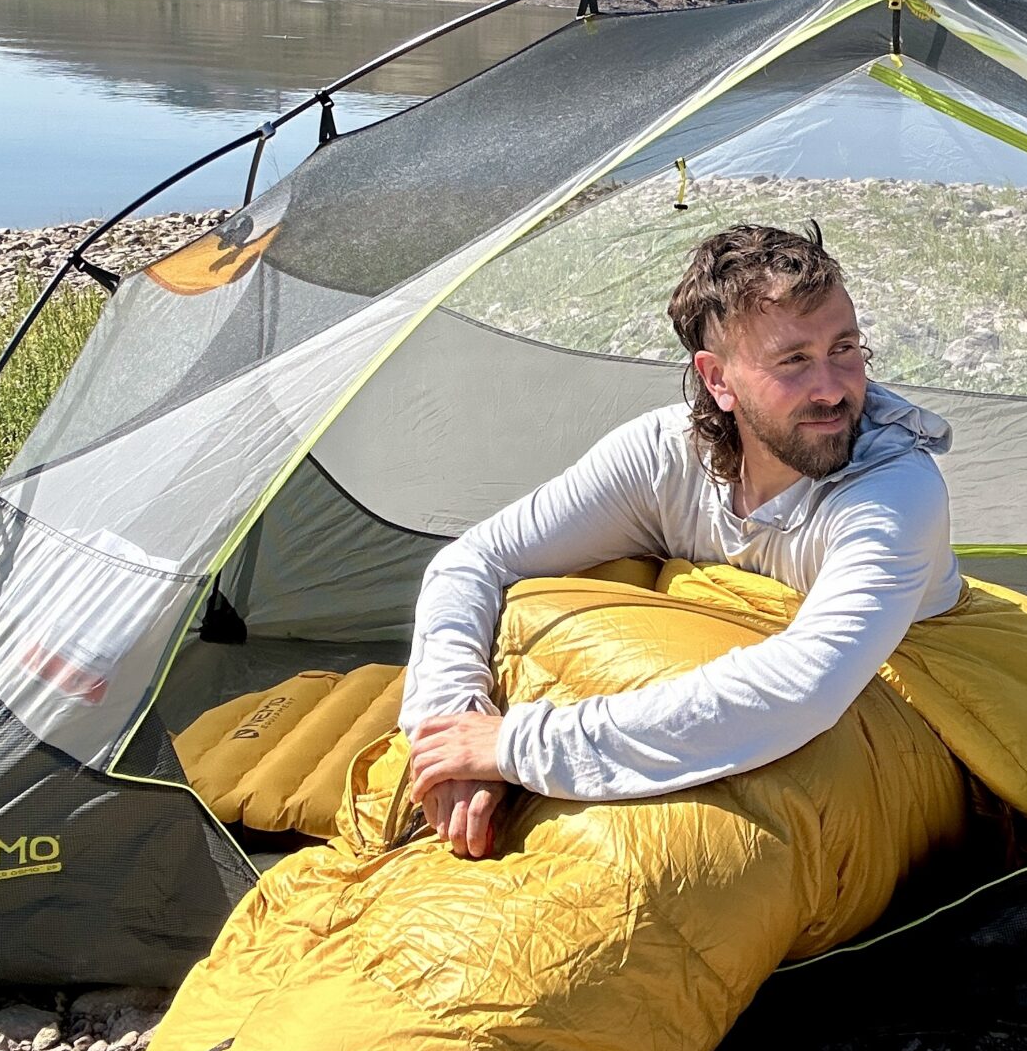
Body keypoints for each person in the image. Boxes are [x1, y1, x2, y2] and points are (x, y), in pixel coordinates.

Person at [397, 221, 961, 856]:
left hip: (892, 751)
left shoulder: (894, 493)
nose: (832, 388)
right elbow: (473, 560)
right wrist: (450, 730)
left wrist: (513, 747)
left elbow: (802, 689)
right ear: (718, 380)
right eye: (794, 361)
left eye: (846, 348)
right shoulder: (665, 457)